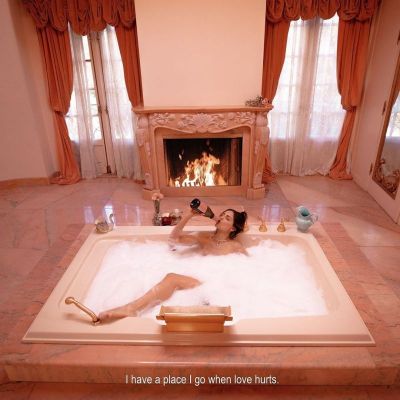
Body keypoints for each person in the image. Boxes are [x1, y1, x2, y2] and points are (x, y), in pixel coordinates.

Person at [98, 208, 248, 322]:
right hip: (203, 281)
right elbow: (174, 239)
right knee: (171, 278)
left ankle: (131, 309)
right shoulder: (204, 237)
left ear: (233, 228)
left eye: (227, 218)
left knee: (172, 278)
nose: (221, 218)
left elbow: (247, 270)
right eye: (222, 215)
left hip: (217, 285)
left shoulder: (235, 247)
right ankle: (131, 308)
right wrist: (189, 215)